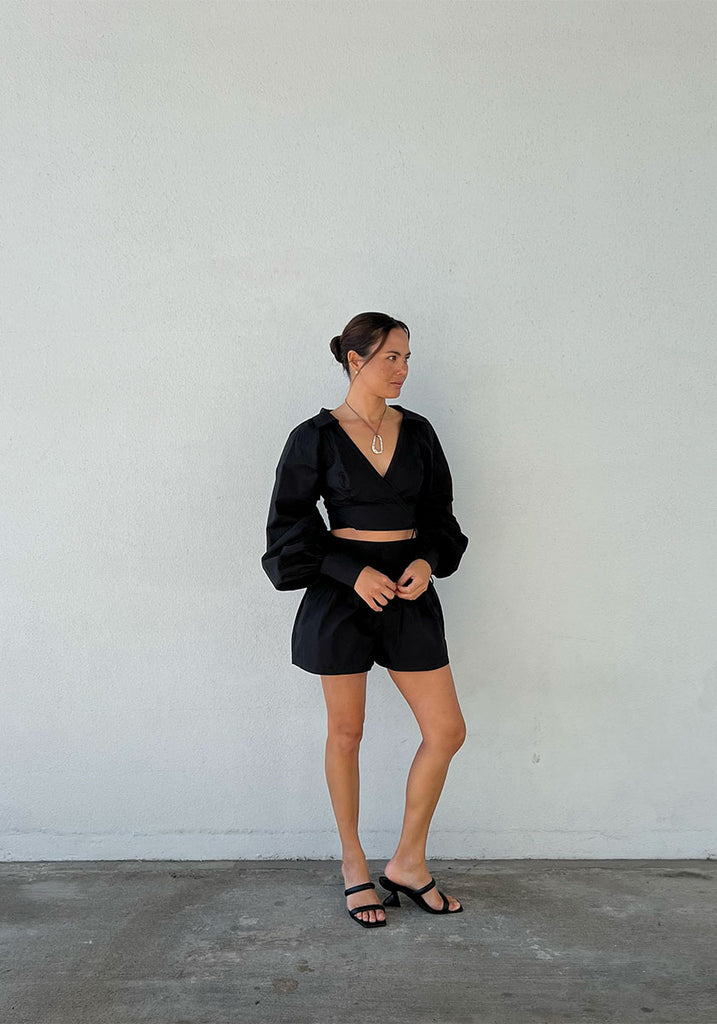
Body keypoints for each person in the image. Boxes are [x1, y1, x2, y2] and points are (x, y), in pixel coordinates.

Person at [261, 312, 469, 929]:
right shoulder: (314, 437)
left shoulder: (419, 432)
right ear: (356, 360)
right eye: (391, 358)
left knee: (446, 731)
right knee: (346, 732)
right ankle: (354, 863)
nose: (402, 369)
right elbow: (287, 529)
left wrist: (427, 561)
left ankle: (407, 862)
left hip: (409, 592)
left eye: (406, 358)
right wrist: (350, 572)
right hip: (342, 593)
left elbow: (440, 516)